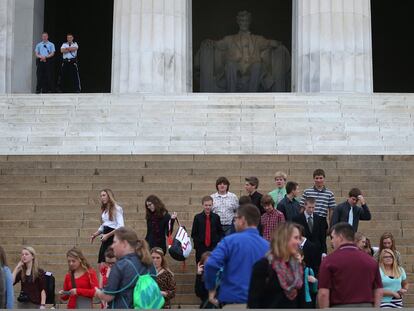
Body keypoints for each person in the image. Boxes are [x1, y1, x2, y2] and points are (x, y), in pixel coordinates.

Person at [204, 204, 269, 308]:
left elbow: (210, 264)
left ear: (243, 219)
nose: (234, 222)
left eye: (235, 219)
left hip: (233, 299)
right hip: (260, 302)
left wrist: (211, 289)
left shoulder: (229, 241)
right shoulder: (268, 246)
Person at [318, 223, 383, 308]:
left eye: (332, 237)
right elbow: (379, 290)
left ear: (340, 237)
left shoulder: (329, 261)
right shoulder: (371, 261)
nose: (331, 241)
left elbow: (323, 293)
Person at [95, 227, 157, 309]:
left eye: (114, 242)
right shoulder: (149, 262)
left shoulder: (120, 265)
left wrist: (97, 291)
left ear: (124, 244)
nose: (112, 246)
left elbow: (108, 296)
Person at [247, 222, 303, 308]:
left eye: (300, 238)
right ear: (284, 239)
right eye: (296, 238)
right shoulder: (263, 266)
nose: (299, 242)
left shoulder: (296, 266)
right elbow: (253, 302)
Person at [292, 197, 327, 275]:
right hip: (303, 253)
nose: (311, 210)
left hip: (316, 252)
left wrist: (324, 252)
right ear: (305, 205)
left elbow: (322, 237)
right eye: (309, 207)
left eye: (313, 207)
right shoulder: (296, 219)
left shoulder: (319, 219)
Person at [90, 189, 125, 266]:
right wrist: (95, 234)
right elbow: (104, 225)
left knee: (110, 262)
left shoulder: (117, 208)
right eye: (101, 196)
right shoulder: (105, 209)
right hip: (105, 236)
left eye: (104, 195)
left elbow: (120, 226)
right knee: (101, 262)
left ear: (109, 196)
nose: (102, 197)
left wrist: (107, 235)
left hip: (113, 236)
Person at [191, 196, 223, 263]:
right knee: (200, 265)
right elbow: (194, 233)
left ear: (212, 205)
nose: (208, 207)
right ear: (202, 205)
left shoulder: (216, 217)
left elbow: (220, 231)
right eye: (206, 205)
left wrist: (217, 241)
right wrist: (198, 243)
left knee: (213, 264)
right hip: (201, 246)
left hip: (213, 246)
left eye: (209, 205)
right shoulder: (197, 217)